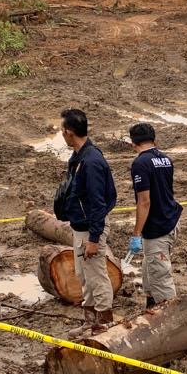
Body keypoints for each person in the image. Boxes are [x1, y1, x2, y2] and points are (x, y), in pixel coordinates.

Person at [57, 109, 118, 329]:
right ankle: (90, 322)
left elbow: (98, 203)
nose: (61, 134)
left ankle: (104, 324)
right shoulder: (78, 158)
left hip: (91, 227)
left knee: (96, 276)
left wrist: (94, 238)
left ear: (69, 132)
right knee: (84, 275)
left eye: (62, 129)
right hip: (80, 227)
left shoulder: (91, 162)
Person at [127, 123, 183, 309]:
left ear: (133, 143)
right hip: (170, 219)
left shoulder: (140, 163)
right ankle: (151, 308)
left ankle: (172, 319)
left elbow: (144, 202)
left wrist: (136, 234)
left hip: (158, 227)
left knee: (160, 276)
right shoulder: (165, 159)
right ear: (154, 139)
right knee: (149, 271)